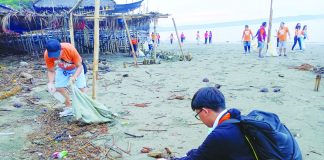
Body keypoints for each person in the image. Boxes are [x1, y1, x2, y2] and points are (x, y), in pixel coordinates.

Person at [173, 87, 254, 160]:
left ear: (205, 111)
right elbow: (206, 151)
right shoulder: (236, 118)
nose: (200, 119)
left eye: (198, 114)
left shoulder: (219, 135)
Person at [45, 39, 87, 116]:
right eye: (53, 56)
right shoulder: (47, 55)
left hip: (75, 68)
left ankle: (82, 107)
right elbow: (51, 71)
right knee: (59, 88)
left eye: (57, 55)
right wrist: (50, 83)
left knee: (81, 88)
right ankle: (69, 107)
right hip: (63, 68)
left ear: (61, 49)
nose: (55, 58)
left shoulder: (69, 49)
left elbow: (79, 66)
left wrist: (74, 77)